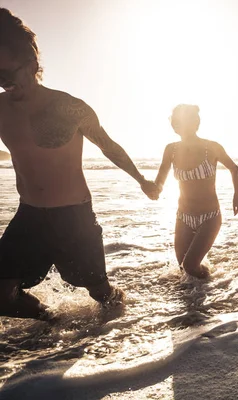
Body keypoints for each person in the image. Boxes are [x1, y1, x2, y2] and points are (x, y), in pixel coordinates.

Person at [0, 9, 158, 320]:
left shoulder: (70, 108)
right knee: (0, 294)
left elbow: (108, 146)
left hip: (74, 216)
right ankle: (51, 319)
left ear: (32, 65)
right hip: (29, 214)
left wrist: (141, 179)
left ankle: (125, 323)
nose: (4, 83)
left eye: (8, 73)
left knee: (99, 292)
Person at [151, 104, 238, 279]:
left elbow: (234, 169)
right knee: (182, 269)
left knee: (190, 266)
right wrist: (155, 190)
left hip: (210, 216)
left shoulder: (212, 147)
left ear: (195, 123)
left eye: (183, 121)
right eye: (176, 122)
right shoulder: (171, 149)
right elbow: (160, 179)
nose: (178, 125)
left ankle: (213, 282)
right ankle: (198, 301)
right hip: (183, 216)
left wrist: (236, 197)